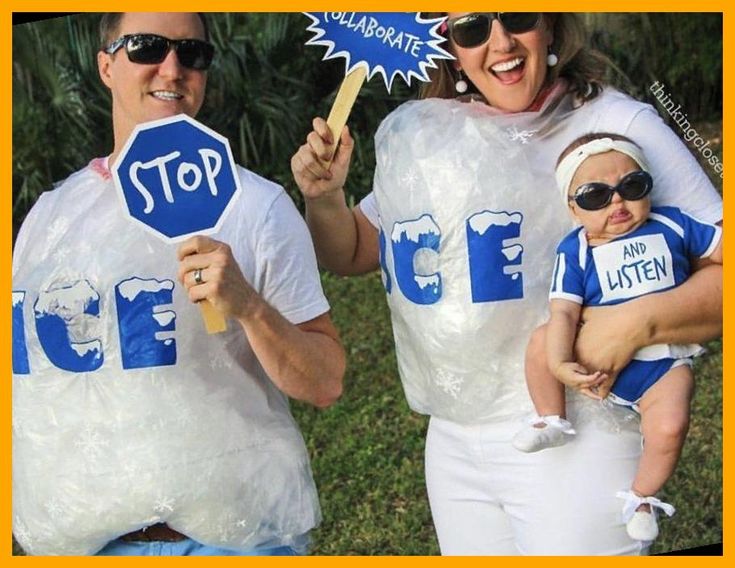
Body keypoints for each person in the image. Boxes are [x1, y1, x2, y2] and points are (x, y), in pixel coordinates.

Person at [291, 12, 722, 555]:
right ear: (447, 45)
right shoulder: (435, 132)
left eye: (517, 15)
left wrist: (636, 323)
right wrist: (325, 197)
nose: (500, 42)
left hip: (577, 427)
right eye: (471, 28)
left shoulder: (617, 123)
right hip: (453, 439)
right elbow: (354, 250)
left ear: (550, 24)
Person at [12, 12, 345, 556]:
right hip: (84, 544)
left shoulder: (256, 206)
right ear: (105, 66)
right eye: (146, 47)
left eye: (193, 53)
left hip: (230, 539)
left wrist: (249, 308)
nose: (172, 67)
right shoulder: (50, 216)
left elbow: (326, 381)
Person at [511, 133, 722, 542]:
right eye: (595, 196)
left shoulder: (671, 223)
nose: (618, 203)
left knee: (671, 426)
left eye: (632, 187)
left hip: (662, 362)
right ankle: (551, 415)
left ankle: (642, 495)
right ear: (573, 209)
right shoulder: (575, 250)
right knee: (541, 340)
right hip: (592, 358)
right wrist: (558, 364)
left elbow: (720, 248)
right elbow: (564, 311)